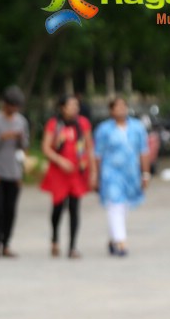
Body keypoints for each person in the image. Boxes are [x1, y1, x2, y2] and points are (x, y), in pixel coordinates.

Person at [40, 94, 96, 258]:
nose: (74, 108)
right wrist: (60, 161)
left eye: (76, 105)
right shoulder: (54, 124)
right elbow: (46, 147)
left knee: (74, 208)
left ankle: (72, 246)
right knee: (58, 207)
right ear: (62, 108)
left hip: (77, 172)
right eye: (71, 105)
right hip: (59, 172)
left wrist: (93, 171)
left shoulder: (83, 123)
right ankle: (55, 238)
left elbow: (89, 147)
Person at [94, 97, 150, 257]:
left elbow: (143, 151)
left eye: (123, 106)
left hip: (131, 173)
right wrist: (96, 175)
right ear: (111, 111)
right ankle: (121, 242)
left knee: (123, 207)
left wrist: (145, 174)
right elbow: (97, 154)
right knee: (115, 204)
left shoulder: (137, 127)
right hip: (110, 173)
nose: (120, 110)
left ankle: (113, 238)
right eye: (116, 107)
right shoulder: (104, 130)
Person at [0, 85, 29, 258]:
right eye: (12, 106)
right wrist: (2, 137)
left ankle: (7, 243)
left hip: (14, 171)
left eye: (17, 107)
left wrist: (20, 138)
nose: (14, 110)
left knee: (11, 209)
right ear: (5, 104)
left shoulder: (21, 121)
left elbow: (25, 146)